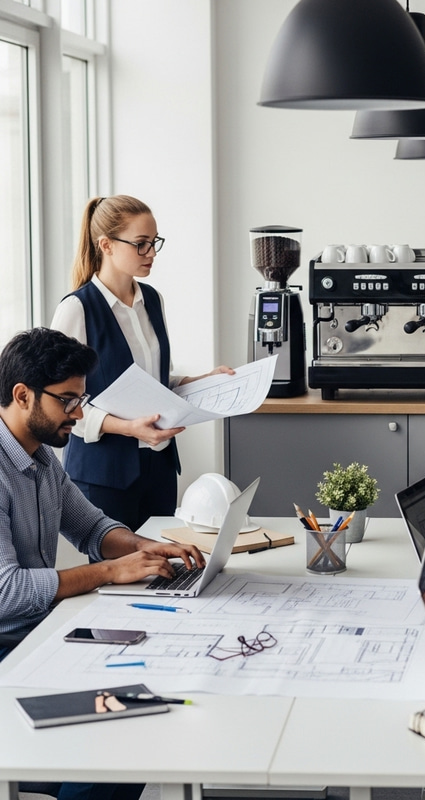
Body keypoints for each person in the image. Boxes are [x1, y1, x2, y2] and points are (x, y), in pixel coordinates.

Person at [0, 327, 206, 800]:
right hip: (10, 645)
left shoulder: (43, 455)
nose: (79, 413)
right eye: (68, 401)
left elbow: (92, 529)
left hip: (39, 633)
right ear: (22, 395)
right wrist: (111, 572)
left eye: (81, 399)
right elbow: (7, 591)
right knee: (123, 728)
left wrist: (141, 547)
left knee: (153, 685)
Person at [50, 195, 234, 531]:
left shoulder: (152, 300)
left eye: (154, 243)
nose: (151, 253)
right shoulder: (76, 310)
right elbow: (59, 404)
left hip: (159, 466)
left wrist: (206, 380)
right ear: (106, 245)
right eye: (140, 244)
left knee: (159, 568)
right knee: (117, 575)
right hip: (104, 474)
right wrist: (127, 427)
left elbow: (156, 380)